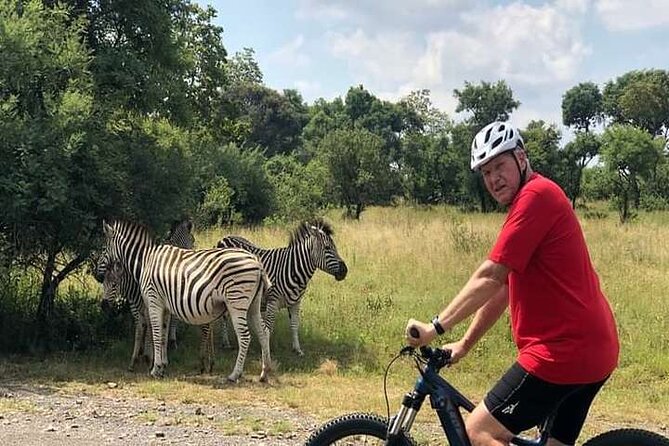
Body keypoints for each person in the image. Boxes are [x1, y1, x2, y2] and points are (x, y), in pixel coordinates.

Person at [405, 121, 619, 446]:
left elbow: (490, 276)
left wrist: (435, 327)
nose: (493, 179)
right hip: (592, 349)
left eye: (499, 166)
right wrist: (464, 344)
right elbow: (504, 287)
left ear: (521, 158)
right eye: (486, 172)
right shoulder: (534, 200)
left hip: (561, 353)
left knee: (479, 431)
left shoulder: (536, 195)